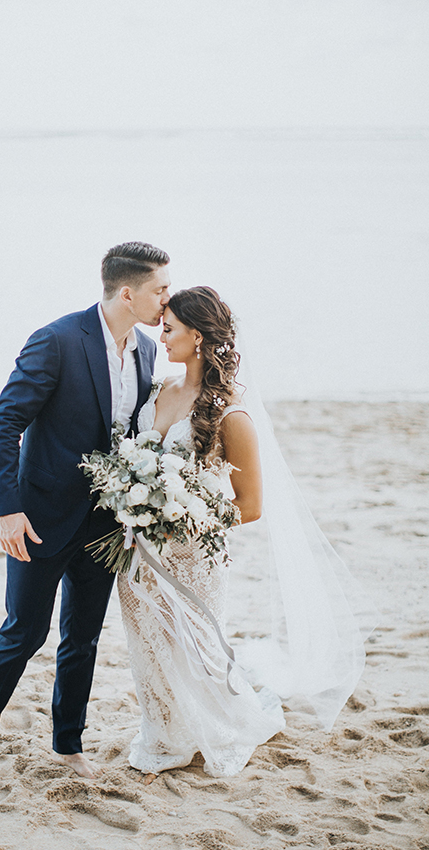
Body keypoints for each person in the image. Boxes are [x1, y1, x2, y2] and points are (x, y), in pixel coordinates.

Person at [118, 286, 373, 778]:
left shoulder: (231, 413)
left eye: (168, 328)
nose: (160, 335)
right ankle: (165, 731)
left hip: (193, 552)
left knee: (196, 647)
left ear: (196, 336)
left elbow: (251, 506)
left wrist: (182, 514)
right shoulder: (157, 391)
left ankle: (218, 725)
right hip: (141, 550)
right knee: (147, 640)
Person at [0, 242, 171, 786]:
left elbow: (131, 434)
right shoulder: (56, 340)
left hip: (107, 524)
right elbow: (4, 424)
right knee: (22, 633)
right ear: (128, 292)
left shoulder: (148, 349)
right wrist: (6, 511)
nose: (166, 300)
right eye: (160, 290)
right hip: (40, 517)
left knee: (83, 638)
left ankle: (67, 743)